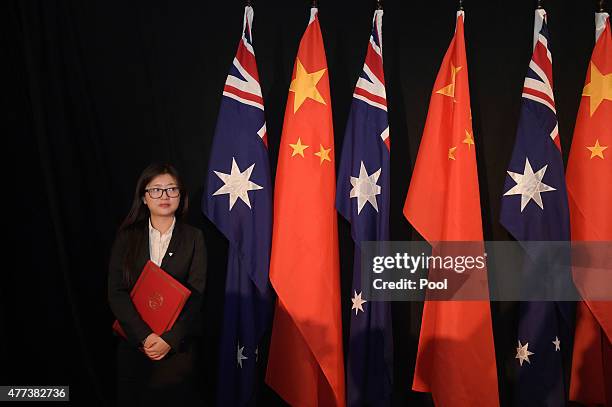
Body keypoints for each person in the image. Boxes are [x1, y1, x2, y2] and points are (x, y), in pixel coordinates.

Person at [107, 163, 206, 406]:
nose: (164, 196)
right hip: (134, 347)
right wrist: (144, 336)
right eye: (156, 190)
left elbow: (197, 295)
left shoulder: (194, 238)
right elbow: (116, 292)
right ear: (144, 197)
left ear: (180, 196)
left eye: (172, 189)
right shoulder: (127, 237)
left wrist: (169, 340)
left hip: (177, 351)